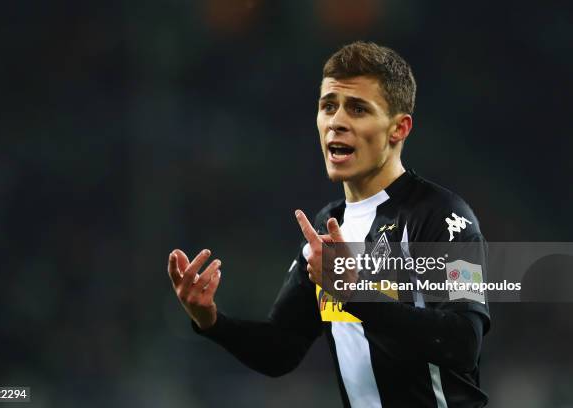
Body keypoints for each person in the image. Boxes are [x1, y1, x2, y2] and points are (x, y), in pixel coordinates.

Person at [167, 41, 491, 408]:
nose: (337, 121)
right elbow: (280, 351)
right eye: (328, 106)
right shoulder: (326, 226)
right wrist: (211, 321)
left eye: (357, 108)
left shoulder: (445, 217)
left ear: (398, 128)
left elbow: (464, 342)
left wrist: (353, 293)